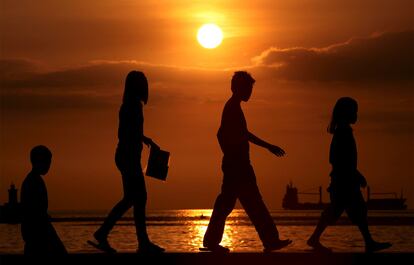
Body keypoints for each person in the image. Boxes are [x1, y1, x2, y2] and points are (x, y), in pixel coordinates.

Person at [202, 71, 292, 253]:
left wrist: (228, 154)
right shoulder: (232, 108)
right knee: (252, 203)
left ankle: (213, 241)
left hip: (236, 164)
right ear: (236, 88)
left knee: (231, 203)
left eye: (250, 88)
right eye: (247, 88)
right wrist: (266, 146)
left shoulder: (233, 108)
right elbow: (232, 135)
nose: (250, 92)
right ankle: (270, 240)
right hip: (239, 166)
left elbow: (223, 134)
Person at [90, 71, 164, 253]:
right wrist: (142, 139)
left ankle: (105, 233)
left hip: (127, 156)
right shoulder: (133, 106)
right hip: (128, 157)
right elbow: (125, 133)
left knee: (132, 198)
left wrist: (145, 139)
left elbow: (128, 132)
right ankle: (141, 242)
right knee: (138, 198)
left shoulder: (129, 105)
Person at [307, 97, 392, 253]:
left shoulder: (343, 131)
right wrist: (356, 174)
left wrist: (355, 173)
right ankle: (368, 242)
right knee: (346, 211)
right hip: (344, 181)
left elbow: (338, 159)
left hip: (345, 179)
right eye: (354, 111)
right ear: (347, 113)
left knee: (348, 211)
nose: (356, 115)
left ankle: (367, 241)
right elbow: (337, 159)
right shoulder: (343, 133)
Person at [20, 145, 67, 256]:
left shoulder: (31, 180)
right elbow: (36, 212)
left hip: (32, 231)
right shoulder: (34, 182)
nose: (49, 165)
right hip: (38, 231)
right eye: (47, 161)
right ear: (38, 161)